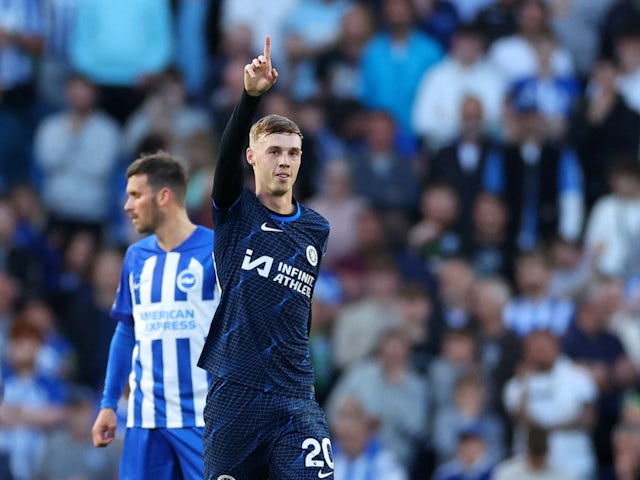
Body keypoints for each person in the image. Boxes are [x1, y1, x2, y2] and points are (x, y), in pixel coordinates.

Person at [197, 37, 334, 479]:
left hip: (295, 395)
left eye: (293, 153)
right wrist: (250, 96)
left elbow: (300, 308)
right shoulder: (236, 211)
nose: (285, 161)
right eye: (274, 151)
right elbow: (224, 158)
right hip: (236, 390)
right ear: (252, 157)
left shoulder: (317, 228)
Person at [90, 152, 220, 479]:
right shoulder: (136, 257)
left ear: (164, 196)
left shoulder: (217, 252)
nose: (127, 206)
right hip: (144, 419)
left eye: (135, 195)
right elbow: (125, 333)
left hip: (204, 420)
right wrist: (108, 404)